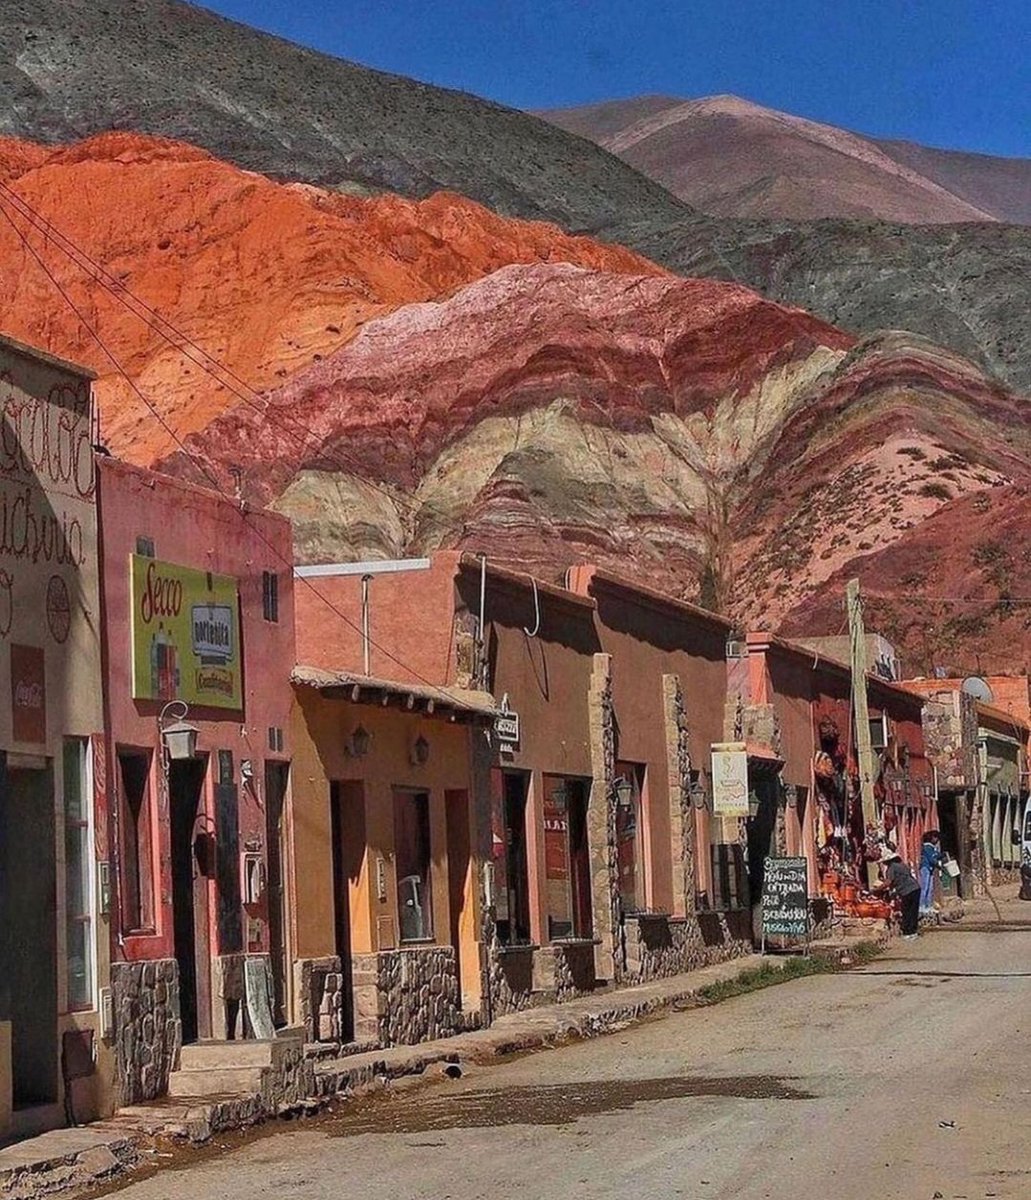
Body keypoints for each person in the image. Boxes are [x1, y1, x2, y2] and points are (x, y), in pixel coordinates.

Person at [880, 849, 921, 939]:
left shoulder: (891, 868)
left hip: (907, 891)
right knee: (913, 911)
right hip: (915, 887)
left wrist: (877, 889)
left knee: (906, 911)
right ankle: (913, 931)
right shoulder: (902, 865)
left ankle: (908, 932)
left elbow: (888, 882)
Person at [920, 830, 942, 915]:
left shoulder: (932, 847)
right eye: (936, 838)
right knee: (925, 888)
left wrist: (941, 855)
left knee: (930, 888)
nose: (937, 840)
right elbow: (931, 859)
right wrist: (938, 865)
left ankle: (928, 906)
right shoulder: (927, 847)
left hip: (930, 869)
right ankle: (922, 906)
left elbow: (936, 855)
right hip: (925, 868)